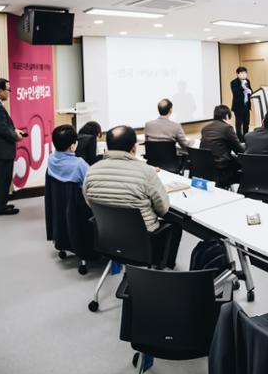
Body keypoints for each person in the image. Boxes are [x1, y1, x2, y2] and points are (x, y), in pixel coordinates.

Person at [83, 125, 182, 268]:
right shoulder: (146, 172)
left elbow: (90, 202)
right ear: (134, 148)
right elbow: (163, 208)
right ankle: (163, 269)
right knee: (176, 223)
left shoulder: (91, 171)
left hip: (107, 240)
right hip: (143, 244)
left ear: (107, 147)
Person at [0, 78, 25, 215]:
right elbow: (3, 130)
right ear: (1, 91)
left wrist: (15, 130)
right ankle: (1, 208)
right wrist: (16, 136)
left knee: (1, 178)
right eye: (8, 89)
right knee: (4, 179)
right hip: (1, 151)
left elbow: (3, 126)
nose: (9, 92)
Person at [201, 105, 246, 188]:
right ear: (226, 116)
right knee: (246, 164)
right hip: (222, 168)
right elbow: (239, 150)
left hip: (206, 167)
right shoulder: (227, 128)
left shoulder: (205, 128)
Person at [229, 66, 253, 137]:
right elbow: (236, 93)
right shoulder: (234, 82)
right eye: (242, 73)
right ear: (237, 74)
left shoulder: (247, 81)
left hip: (246, 105)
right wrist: (243, 87)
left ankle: (246, 136)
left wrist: (250, 91)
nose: (244, 75)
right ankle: (239, 138)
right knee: (239, 123)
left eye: (245, 73)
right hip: (238, 106)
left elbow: (251, 90)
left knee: (246, 122)